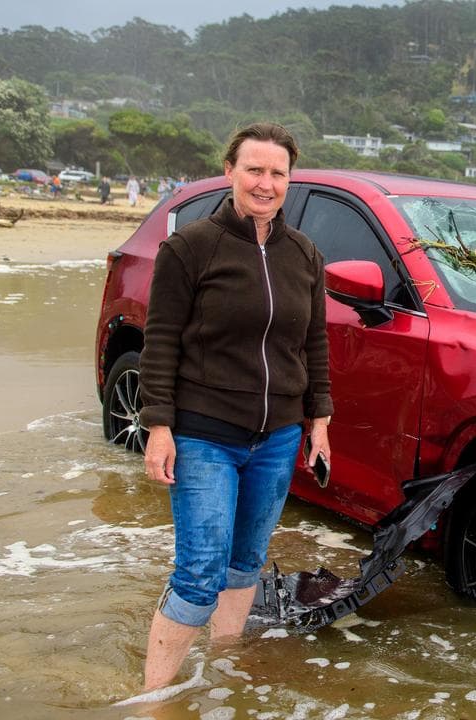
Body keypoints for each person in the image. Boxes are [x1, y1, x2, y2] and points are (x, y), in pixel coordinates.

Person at [137, 121, 332, 690]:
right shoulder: (190, 248)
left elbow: (314, 343)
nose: (265, 183)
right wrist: (158, 427)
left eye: (278, 173)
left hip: (277, 437)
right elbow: (160, 342)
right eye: (254, 170)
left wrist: (319, 421)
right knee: (200, 572)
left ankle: (222, 665)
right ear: (230, 172)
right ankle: (154, 699)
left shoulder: (304, 254)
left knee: (246, 560)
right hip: (204, 435)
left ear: (289, 180)